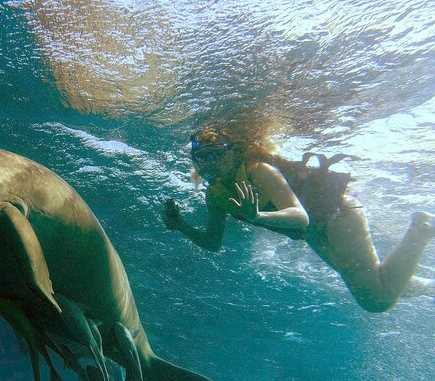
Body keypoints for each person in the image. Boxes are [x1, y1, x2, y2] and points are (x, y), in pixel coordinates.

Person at [164, 126, 434, 312]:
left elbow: (299, 217)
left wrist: (258, 215)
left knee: (375, 300)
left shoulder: (258, 170)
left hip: (336, 215)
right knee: (380, 285)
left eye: (216, 155)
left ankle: (421, 226)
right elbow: (213, 242)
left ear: (234, 151)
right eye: (202, 159)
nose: (210, 164)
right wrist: (181, 226)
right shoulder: (215, 195)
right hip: (316, 232)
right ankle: (429, 287)